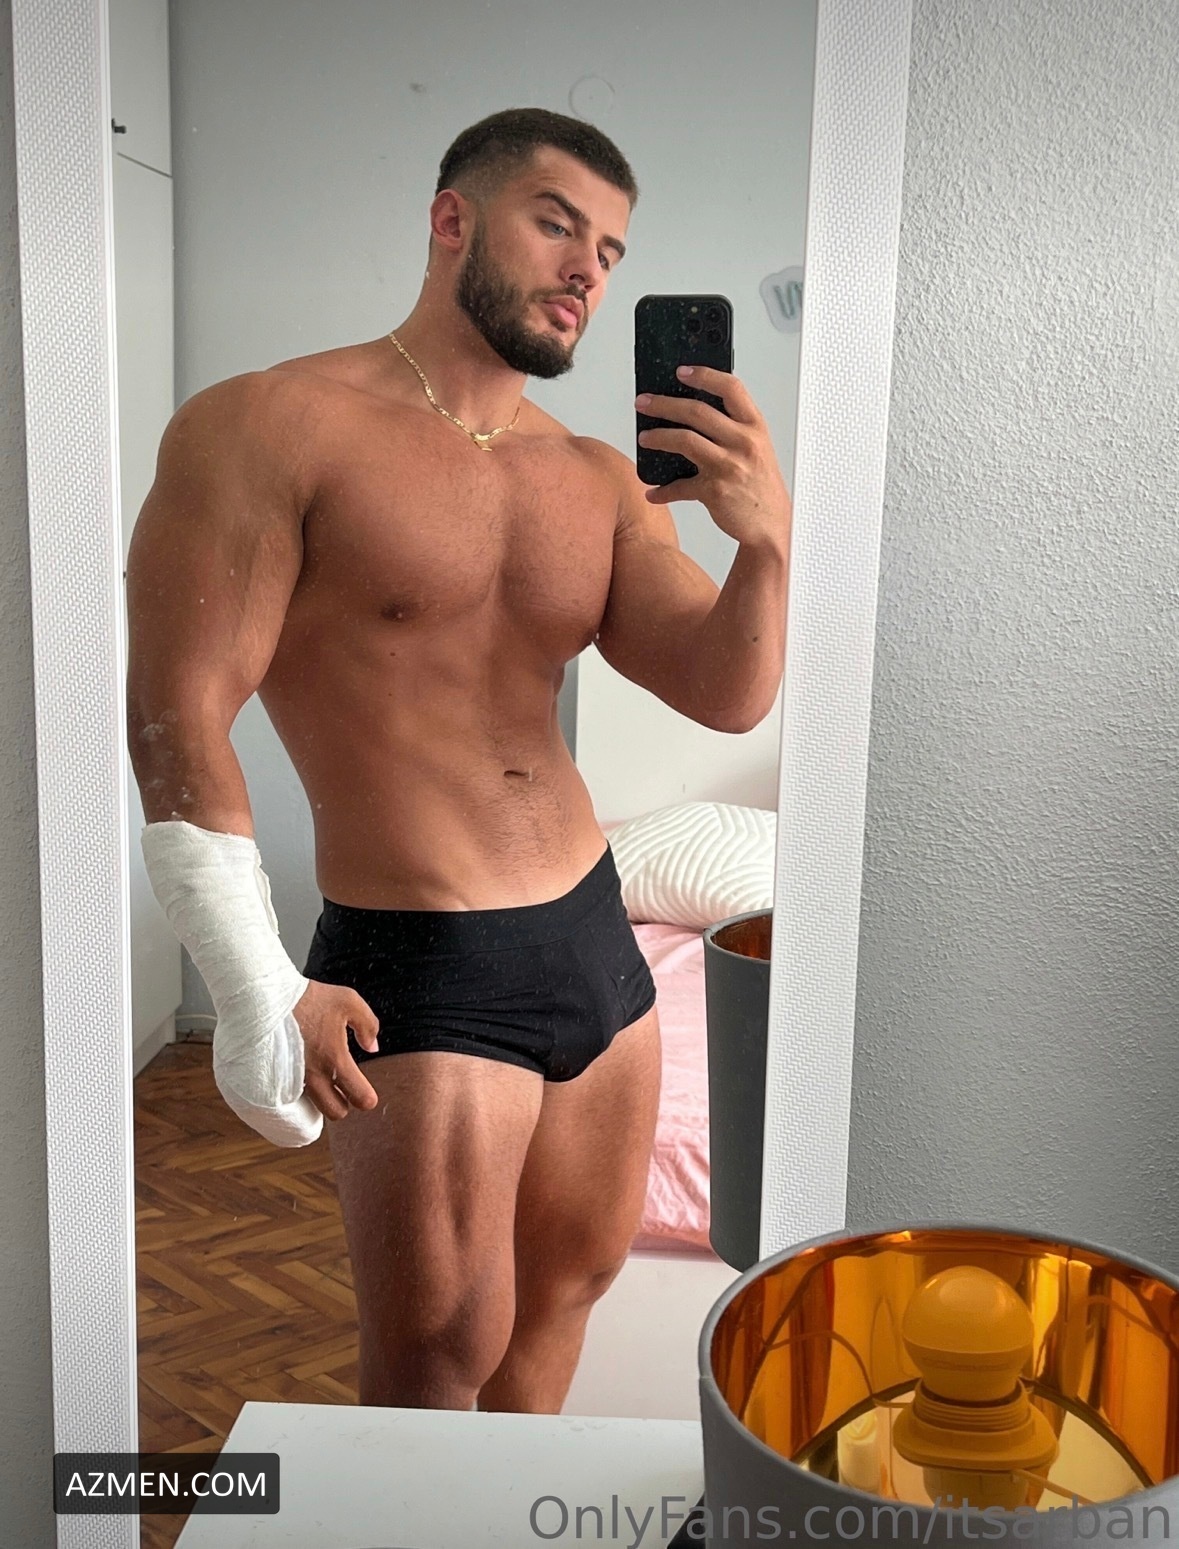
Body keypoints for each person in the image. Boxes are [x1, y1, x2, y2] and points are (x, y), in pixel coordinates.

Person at [127, 107, 792, 1415]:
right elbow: (177, 713)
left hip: (596, 938)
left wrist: (764, 541)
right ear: (452, 220)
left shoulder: (596, 479)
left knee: (567, 1295)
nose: (587, 268)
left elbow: (726, 691)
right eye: (557, 223)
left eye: (610, 250)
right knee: (436, 1357)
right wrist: (255, 984)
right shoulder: (267, 425)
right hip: (424, 960)